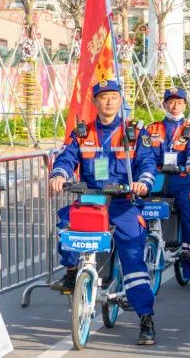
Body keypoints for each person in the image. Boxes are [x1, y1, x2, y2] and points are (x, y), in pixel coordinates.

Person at [49, 79, 158, 346]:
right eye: (103, 97)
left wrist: (143, 182)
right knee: (64, 224)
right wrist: (59, 175)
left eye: (113, 97)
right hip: (92, 199)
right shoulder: (82, 133)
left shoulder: (133, 131)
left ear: (120, 100)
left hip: (123, 202)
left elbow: (147, 162)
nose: (108, 101)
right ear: (95, 102)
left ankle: (146, 318)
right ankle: (74, 270)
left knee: (133, 258)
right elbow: (66, 158)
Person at [135, 88, 190, 293]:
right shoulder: (152, 129)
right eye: (170, 102)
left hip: (182, 181)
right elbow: (145, 153)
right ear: (164, 104)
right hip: (156, 181)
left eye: (179, 102)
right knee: (137, 216)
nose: (174, 106)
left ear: (185, 105)